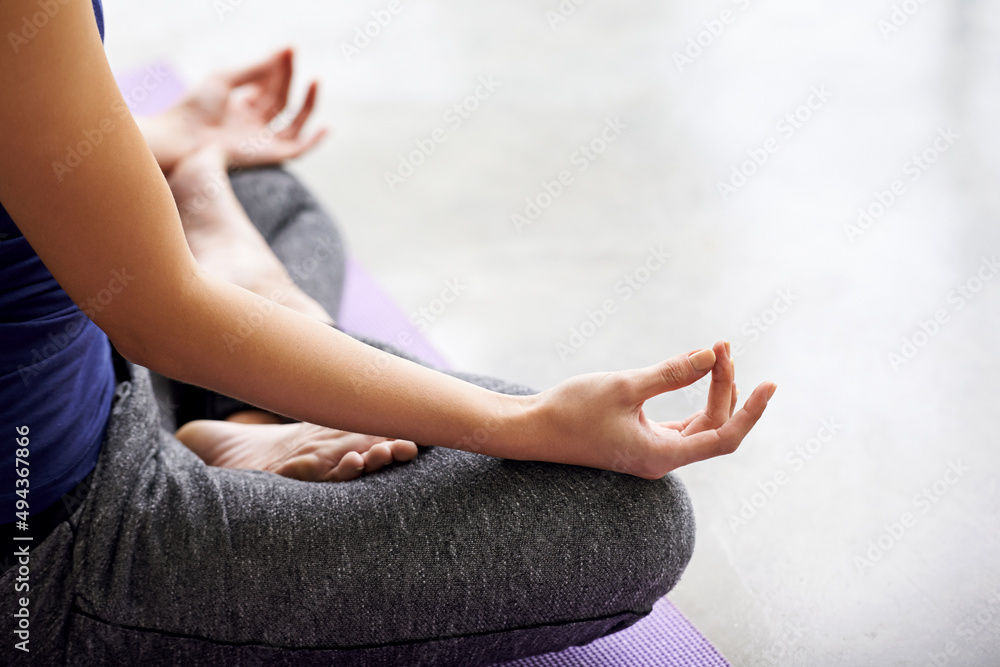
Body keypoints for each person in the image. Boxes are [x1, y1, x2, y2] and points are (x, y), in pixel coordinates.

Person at [0, 0, 776, 664]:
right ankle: (253, 331)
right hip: (50, 541)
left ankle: (238, 397)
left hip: (91, 364)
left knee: (251, 183)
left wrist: (157, 133)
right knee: (629, 521)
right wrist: (525, 423)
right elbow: (159, 317)